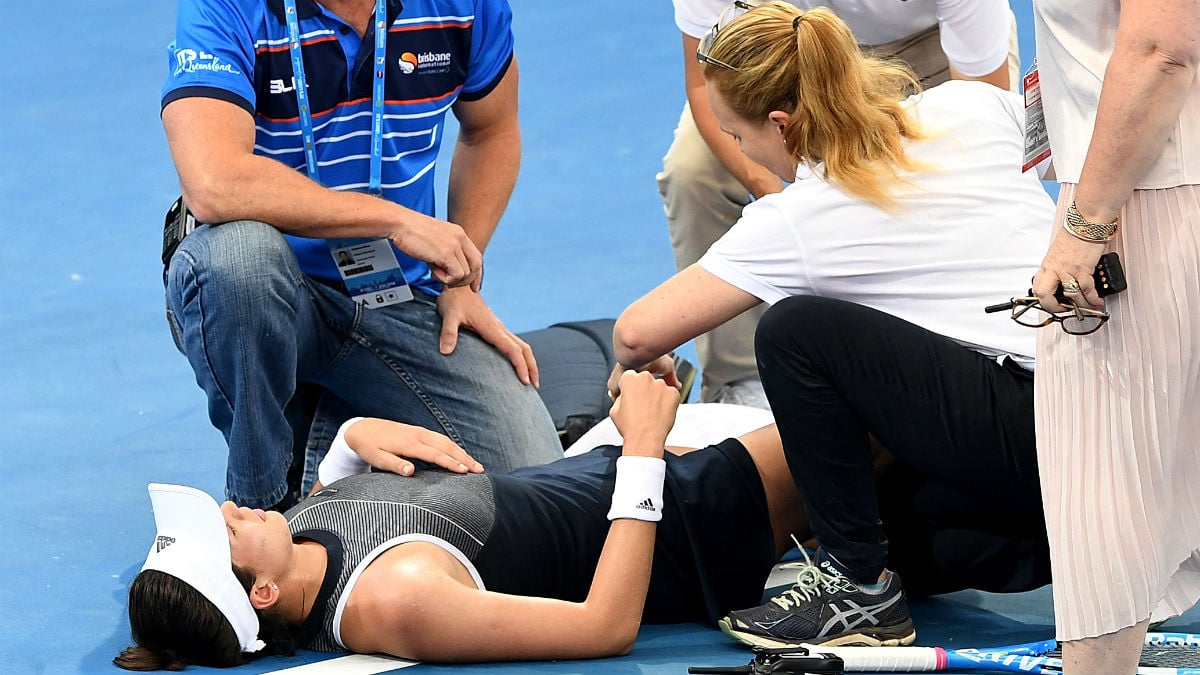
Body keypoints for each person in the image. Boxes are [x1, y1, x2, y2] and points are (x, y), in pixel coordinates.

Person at [612, 2, 1056, 648]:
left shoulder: (799, 216)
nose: (739, 150)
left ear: (780, 126)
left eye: (739, 138)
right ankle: (1075, 545)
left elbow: (634, 333)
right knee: (896, 524)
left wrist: (643, 366)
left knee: (793, 333)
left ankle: (859, 586)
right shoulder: (970, 106)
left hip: (1030, 424)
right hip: (1099, 411)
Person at [114, 373, 1049, 669]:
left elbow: (353, 488)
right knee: (864, 390)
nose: (235, 503)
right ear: (265, 593)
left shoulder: (300, 525)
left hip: (646, 476)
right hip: (692, 525)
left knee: (945, 506)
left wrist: (353, 435)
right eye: (228, 529)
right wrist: (643, 448)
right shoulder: (392, 600)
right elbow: (604, 625)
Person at [160, 0, 561, 511]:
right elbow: (214, 184)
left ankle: (334, 426)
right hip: (268, 295)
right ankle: (261, 512)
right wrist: (395, 220)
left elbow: (492, 130)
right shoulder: (226, 7)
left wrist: (459, 279)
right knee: (239, 261)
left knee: (534, 484)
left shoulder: (465, 5)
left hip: (399, 295)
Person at [657, 0, 1021, 407]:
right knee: (692, 172)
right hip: (766, 61)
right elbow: (701, 87)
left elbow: (979, 131)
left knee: (945, 166)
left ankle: (964, 353)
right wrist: (781, 199)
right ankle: (739, 381)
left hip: (932, 49)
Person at [1025, 0, 1200, 672]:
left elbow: (1162, 50)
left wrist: (1086, 222)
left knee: (1101, 494)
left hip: (1145, 197)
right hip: (1153, 177)